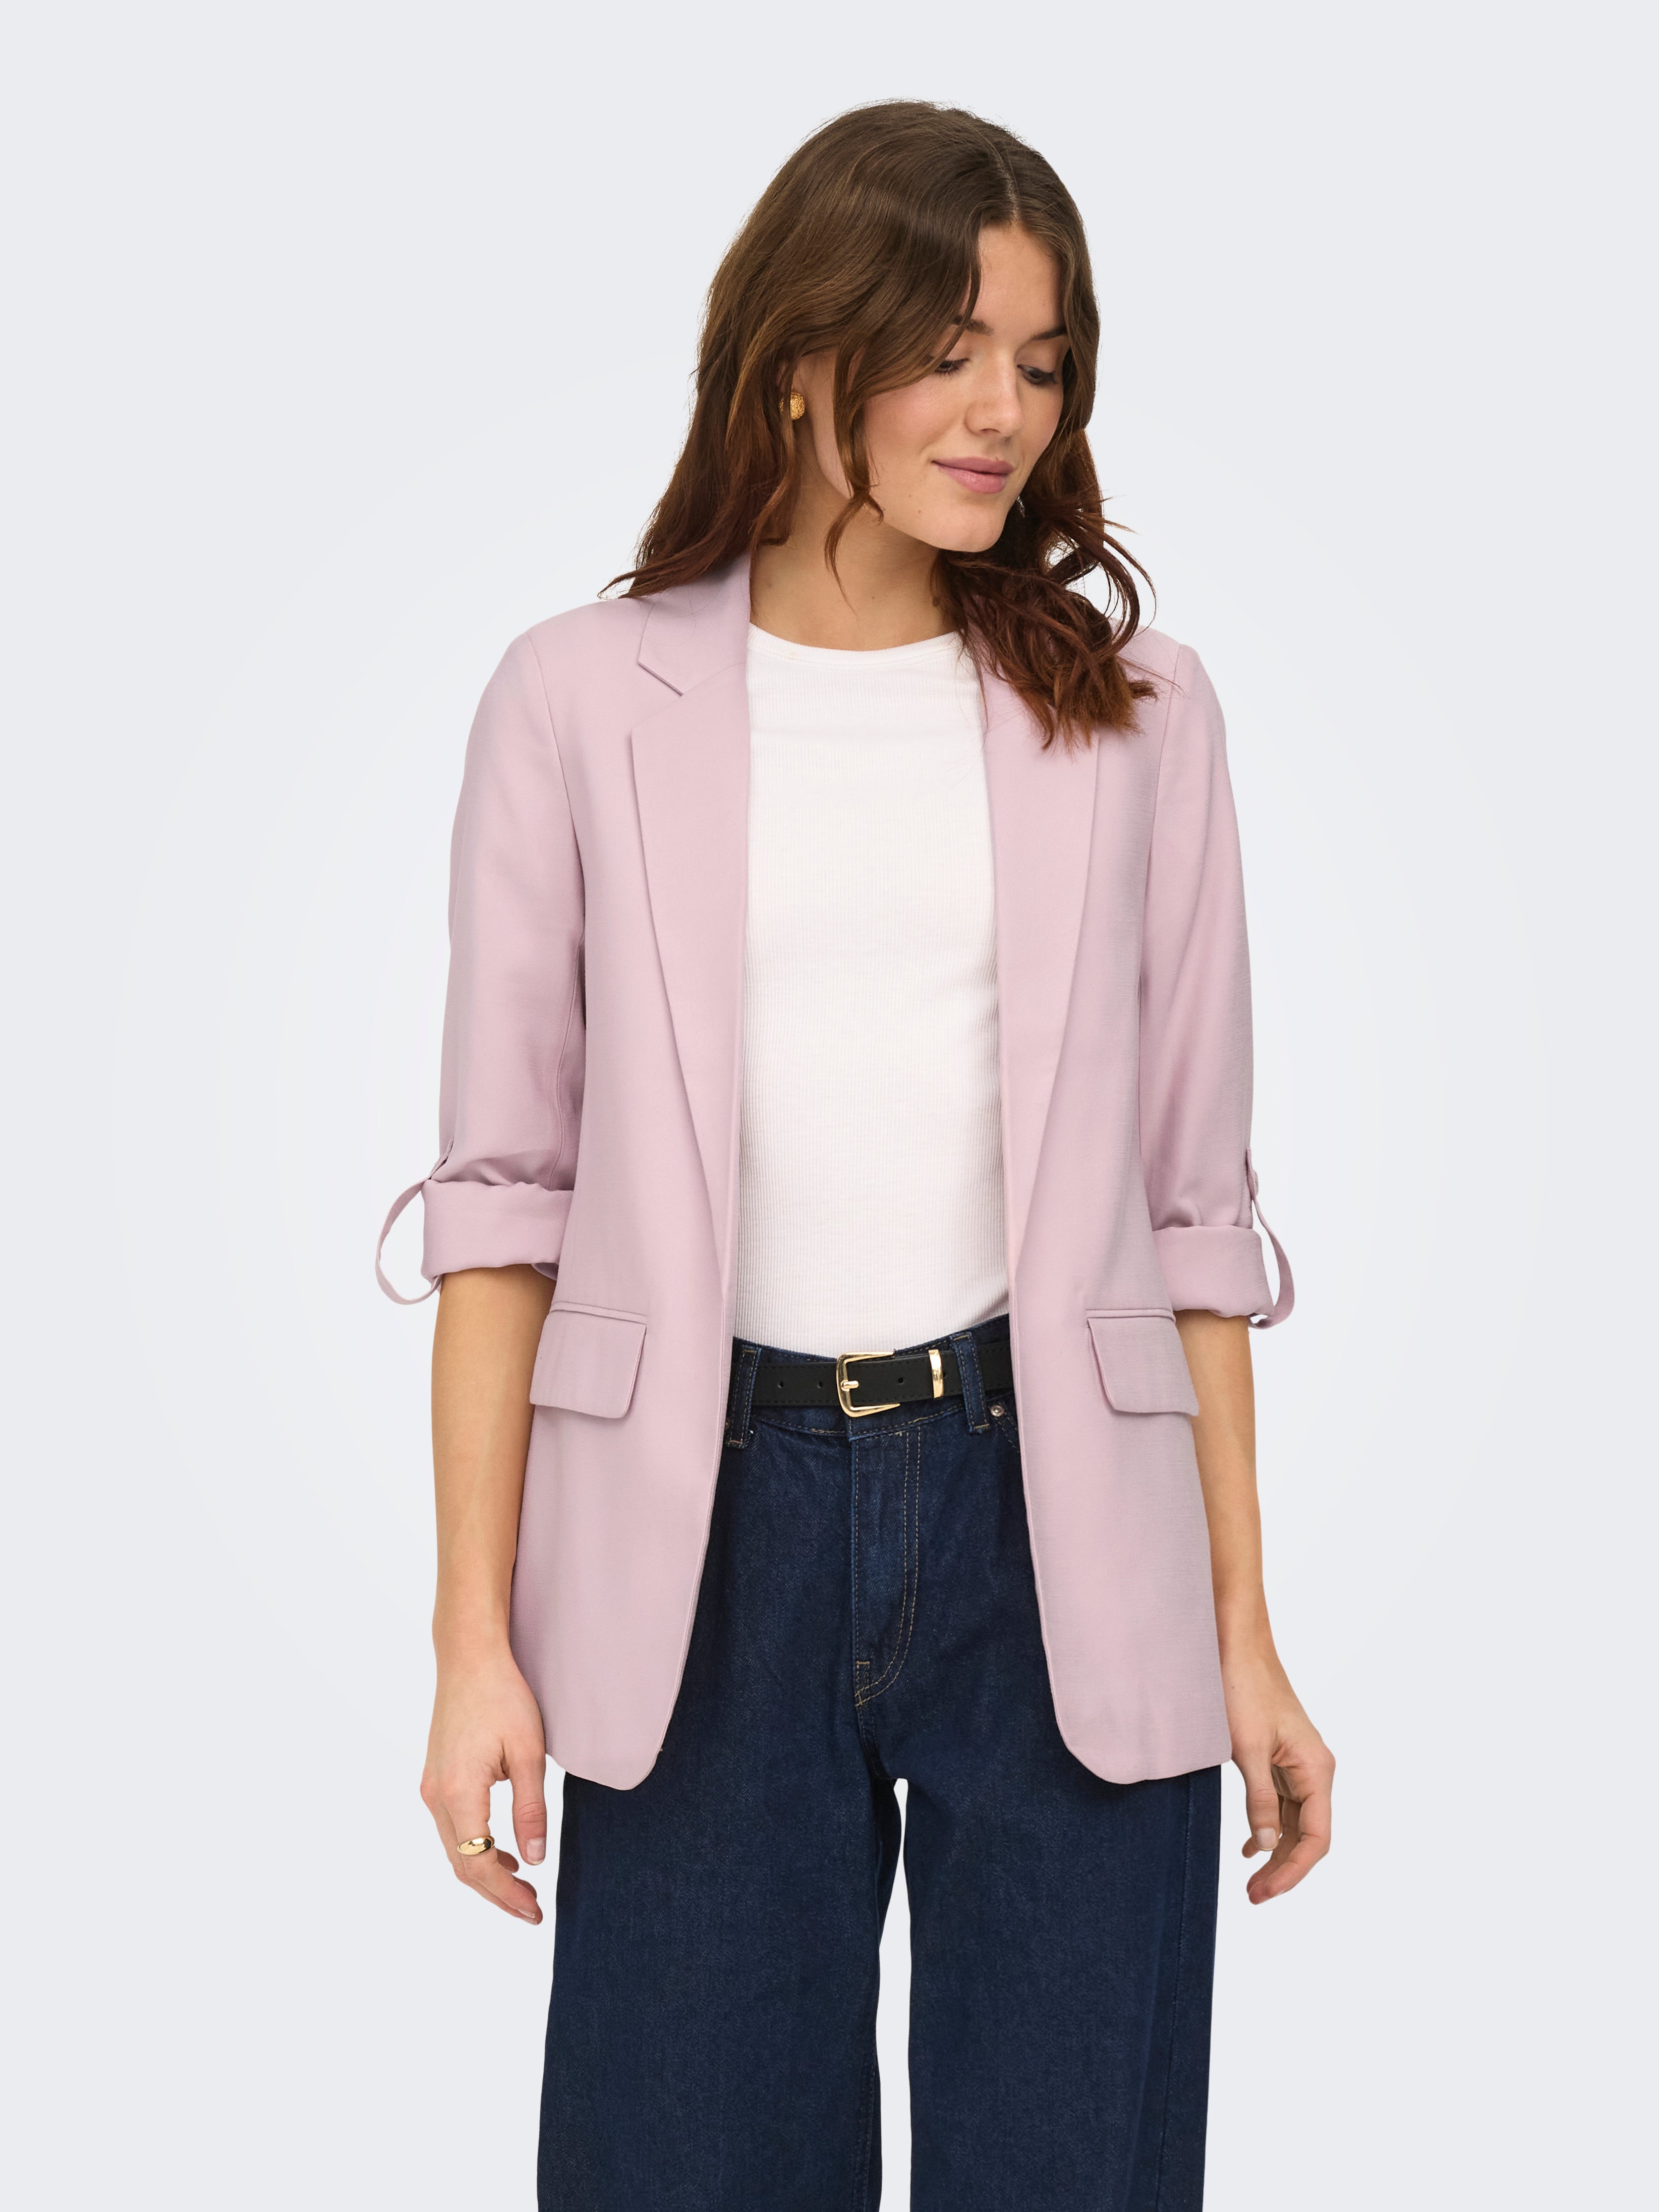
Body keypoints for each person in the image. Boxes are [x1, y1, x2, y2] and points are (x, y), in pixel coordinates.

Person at [377, 98, 1334, 2212]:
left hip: (1056, 1522)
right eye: (951, 350)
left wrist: (1244, 1624)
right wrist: (471, 1640)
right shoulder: (577, 699)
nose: (1005, 411)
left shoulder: (1140, 713)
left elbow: (1192, 1214)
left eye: (1044, 361)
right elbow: (503, 1206)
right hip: (698, 1537)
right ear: (803, 355)